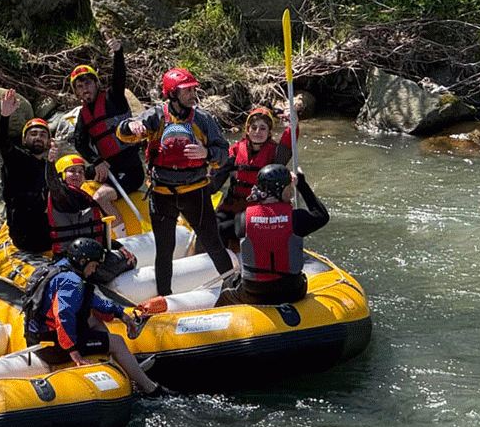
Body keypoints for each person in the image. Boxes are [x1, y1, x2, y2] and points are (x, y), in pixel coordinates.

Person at [117, 67, 231, 297]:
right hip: (162, 193)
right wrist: (129, 126)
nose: (192, 93)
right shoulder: (156, 116)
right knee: (164, 250)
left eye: (193, 89)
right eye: (186, 90)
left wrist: (206, 153)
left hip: (195, 191)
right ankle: (165, 297)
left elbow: (223, 154)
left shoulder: (202, 119)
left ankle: (234, 288)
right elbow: (124, 132)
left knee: (213, 244)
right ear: (171, 93)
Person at [23, 237, 171, 397]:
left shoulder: (57, 268)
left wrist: (120, 313)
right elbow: (63, 315)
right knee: (117, 342)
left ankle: (121, 364)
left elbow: (90, 300)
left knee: (93, 320)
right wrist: (74, 352)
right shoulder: (71, 281)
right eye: (93, 266)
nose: (93, 270)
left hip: (36, 338)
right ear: (82, 262)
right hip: (54, 347)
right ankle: (150, 389)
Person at [218, 164, 329, 306]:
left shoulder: (243, 218)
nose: (291, 191)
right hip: (292, 290)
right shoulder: (296, 219)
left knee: (227, 287)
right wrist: (301, 183)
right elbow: (321, 215)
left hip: (253, 292)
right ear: (283, 190)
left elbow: (221, 230)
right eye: (290, 187)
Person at [71, 37, 146, 225]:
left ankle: (120, 240)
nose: (85, 89)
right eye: (80, 87)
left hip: (130, 170)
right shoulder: (83, 115)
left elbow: (119, 76)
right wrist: (97, 162)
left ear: (96, 84)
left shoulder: (114, 98)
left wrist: (118, 52)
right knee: (74, 174)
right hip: (109, 167)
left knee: (100, 198)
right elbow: (79, 142)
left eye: (88, 84)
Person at [45, 150, 137, 281]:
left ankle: (96, 279)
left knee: (130, 261)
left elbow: (92, 235)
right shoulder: (61, 197)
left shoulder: (84, 197)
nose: (77, 174)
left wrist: (118, 246)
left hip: (90, 256)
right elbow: (53, 184)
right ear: (61, 175)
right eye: (72, 171)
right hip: (71, 259)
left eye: (80, 172)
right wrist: (50, 163)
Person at [210, 107, 295, 246]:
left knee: (222, 230)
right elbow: (216, 178)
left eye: (262, 128)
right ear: (247, 130)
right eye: (254, 127)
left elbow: (288, 141)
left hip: (259, 211)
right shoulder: (235, 150)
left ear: (269, 132)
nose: (257, 132)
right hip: (232, 206)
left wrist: (294, 123)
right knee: (213, 229)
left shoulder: (275, 153)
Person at [0, 89, 53, 254]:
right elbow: (3, 141)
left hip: (43, 224)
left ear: (49, 142)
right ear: (24, 140)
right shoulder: (16, 158)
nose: (38, 137)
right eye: (33, 134)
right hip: (25, 230)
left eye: (43, 135)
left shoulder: (47, 165)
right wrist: (5, 115)